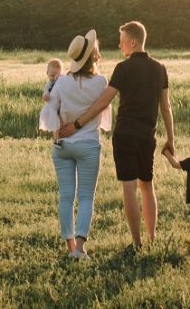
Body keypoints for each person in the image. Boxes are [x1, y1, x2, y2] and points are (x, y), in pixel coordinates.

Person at [59, 21, 174, 249]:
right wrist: (171, 138)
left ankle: (137, 243)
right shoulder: (160, 68)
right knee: (147, 186)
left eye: (122, 42)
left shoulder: (123, 68)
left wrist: (78, 123)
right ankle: (152, 239)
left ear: (133, 41)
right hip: (146, 136)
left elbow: (103, 101)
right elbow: (166, 106)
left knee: (129, 187)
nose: (120, 46)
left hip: (124, 136)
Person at [39, 30, 112, 259]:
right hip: (89, 144)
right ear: (93, 56)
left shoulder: (61, 82)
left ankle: (70, 247)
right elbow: (103, 111)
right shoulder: (101, 82)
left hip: (63, 145)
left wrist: (56, 134)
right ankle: (80, 248)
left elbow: (52, 110)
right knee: (87, 196)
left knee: (66, 197)